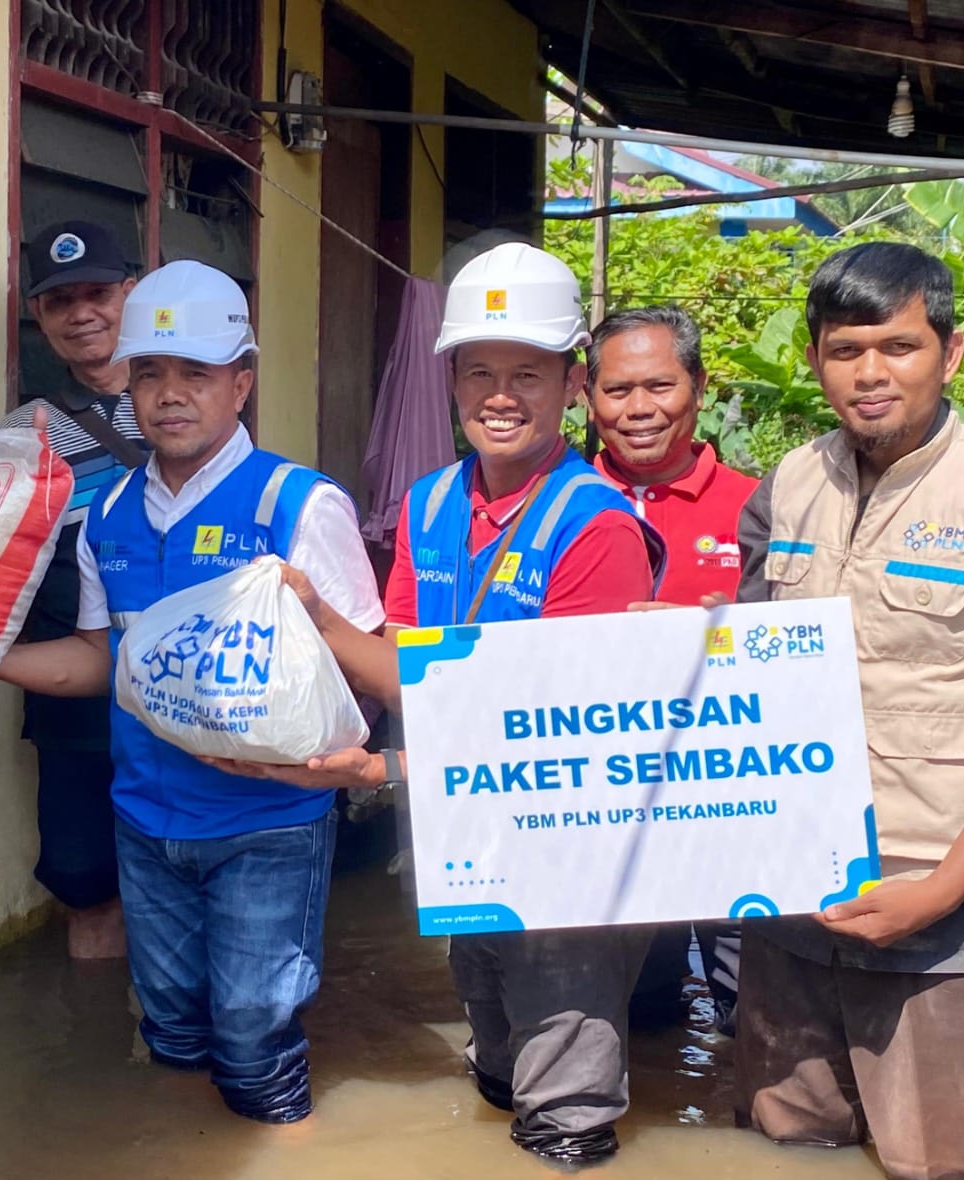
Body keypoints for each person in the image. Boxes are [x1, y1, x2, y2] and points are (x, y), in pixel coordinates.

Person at [222, 243, 662, 1164]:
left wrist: (373, 757)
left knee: (564, 1101)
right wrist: (311, 629)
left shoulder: (597, 526)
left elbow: (569, 736)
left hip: (565, 840)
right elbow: (406, 669)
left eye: (526, 375)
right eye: (477, 372)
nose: (499, 396)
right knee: (494, 1057)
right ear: (450, 379)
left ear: (572, 383)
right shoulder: (428, 504)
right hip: (461, 822)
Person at [726, 242, 964, 1179]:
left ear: (950, 352)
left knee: (956, 1166)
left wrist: (939, 891)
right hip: (796, 903)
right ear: (814, 359)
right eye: (844, 349)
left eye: (897, 347)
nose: (870, 373)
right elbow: (751, 678)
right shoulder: (786, 486)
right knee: (787, 1147)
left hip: (957, 920)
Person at [0, 259, 384, 1123]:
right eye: (149, 373)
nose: (169, 395)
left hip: (269, 825)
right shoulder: (108, 516)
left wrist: (352, 769)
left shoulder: (295, 503)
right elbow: (99, 660)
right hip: (144, 821)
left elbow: (369, 664)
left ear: (240, 383)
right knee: (170, 1032)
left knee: (252, 1043)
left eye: (196, 374)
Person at [586, 306, 759, 1036]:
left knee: (754, 1013)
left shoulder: (759, 507)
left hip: (731, 800)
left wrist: (727, 635)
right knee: (634, 1016)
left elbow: (803, 656)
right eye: (616, 390)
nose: (638, 409)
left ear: (699, 386)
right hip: (602, 806)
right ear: (586, 397)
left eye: (659, 386)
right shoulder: (560, 503)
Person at [0, 220, 146, 960]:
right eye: (61, 301)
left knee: (188, 877)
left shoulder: (185, 401)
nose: (81, 314)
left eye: (98, 294)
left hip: (187, 689)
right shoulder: (22, 432)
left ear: (131, 294)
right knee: (86, 885)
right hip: (74, 699)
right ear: (38, 314)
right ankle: (91, 1026)